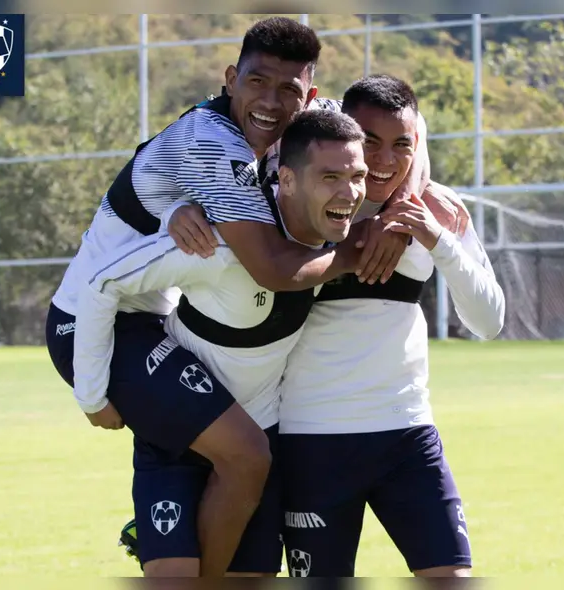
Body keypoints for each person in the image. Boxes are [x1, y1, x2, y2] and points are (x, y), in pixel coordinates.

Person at [44, 17, 375, 578]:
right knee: (246, 456)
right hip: (93, 322)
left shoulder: (275, 131)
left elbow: (390, 144)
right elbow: (270, 269)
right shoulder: (218, 145)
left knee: (239, 461)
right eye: (256, 82)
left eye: (288, 89)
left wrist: (412, 196)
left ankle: (163, 530)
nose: (270, 102)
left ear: (310, 94)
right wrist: (91, 395)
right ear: (230, 79)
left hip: (153, 319)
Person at [166, 75, 504, 578]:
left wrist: (437, 241)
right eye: (371, 143)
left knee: (453, 579)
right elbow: (210, 190)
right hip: (312, 442)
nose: (387, 160)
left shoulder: (434, 206)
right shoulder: (286, 200)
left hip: (407, 435)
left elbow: (489, 321)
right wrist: (181, 209)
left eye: (402, 146)